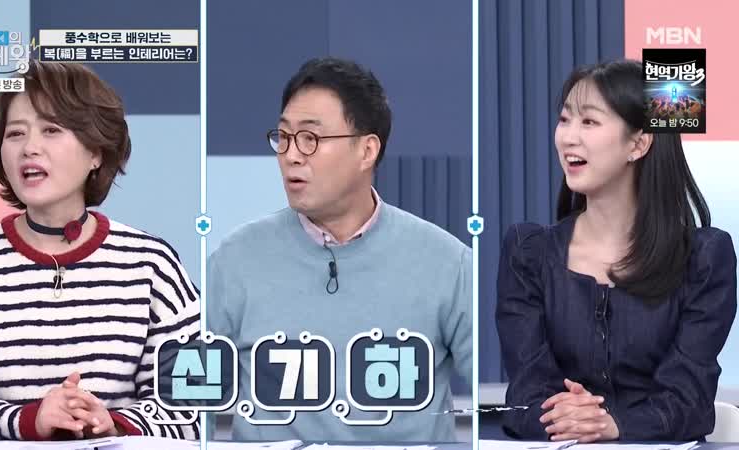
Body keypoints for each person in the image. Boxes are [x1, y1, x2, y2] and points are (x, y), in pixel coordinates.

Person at [206, 57, 472, 441]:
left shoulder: (448, 263)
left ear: (367, 151)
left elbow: (513, 398)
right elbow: (190, 406)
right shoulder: (234, 260)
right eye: (284, 137)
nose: (291, 155)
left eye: (310, 138)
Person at [0, 61, 200, 441]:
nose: (30, 148)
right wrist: (28, 421)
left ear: (96, 152)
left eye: (51, 130)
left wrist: (115, 423)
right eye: (15, 133)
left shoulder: (151, 264)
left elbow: (193, 398)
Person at [496, 60, 737, 442]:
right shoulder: (528, 253)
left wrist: (614, 424)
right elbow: (527, 396)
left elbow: (688, 399)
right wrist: (571, 419)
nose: (568, 137)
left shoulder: (704, 258)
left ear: (638, 143)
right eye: (564, 120)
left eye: (589, 122)